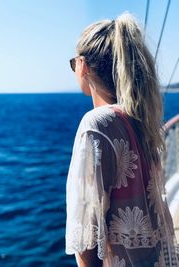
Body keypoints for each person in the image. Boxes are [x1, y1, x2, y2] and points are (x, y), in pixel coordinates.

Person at [65, 12, 179, 267]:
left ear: (83, 65)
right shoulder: (141, 120)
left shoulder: (95, 125)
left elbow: (86, 241)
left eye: (73, 64)